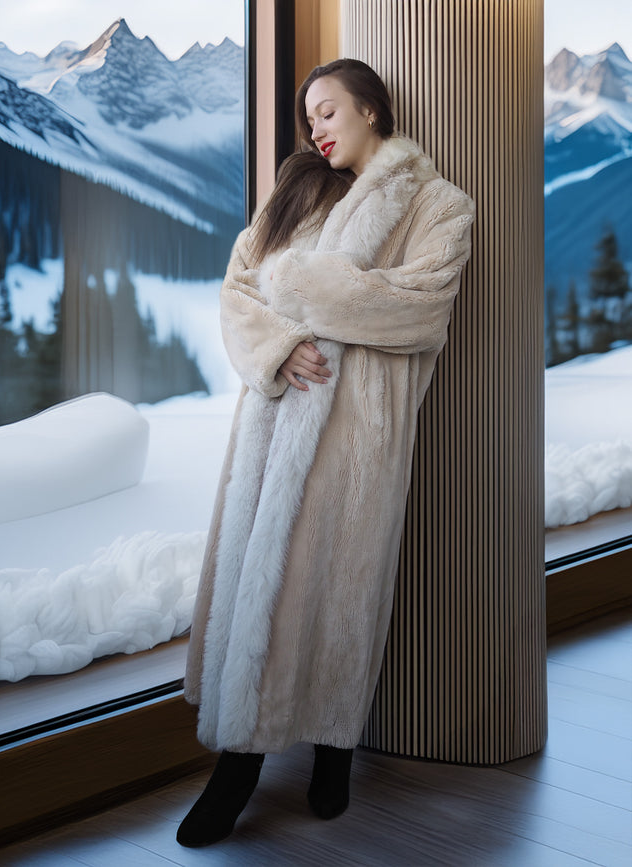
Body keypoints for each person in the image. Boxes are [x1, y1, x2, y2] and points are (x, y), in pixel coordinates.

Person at [177, 58, 474, 848]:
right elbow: (239, 290)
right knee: (256, 591)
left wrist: (300, 288)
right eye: (309, 115)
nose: (316, 128)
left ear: (372, 110)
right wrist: (277, 344)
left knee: (342, 595)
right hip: (271, 424)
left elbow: (420, 310)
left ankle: (335, 747)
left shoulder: (440, 205)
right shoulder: (298, 191)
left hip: (357, 439)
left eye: (328, 110)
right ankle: (235, 767)